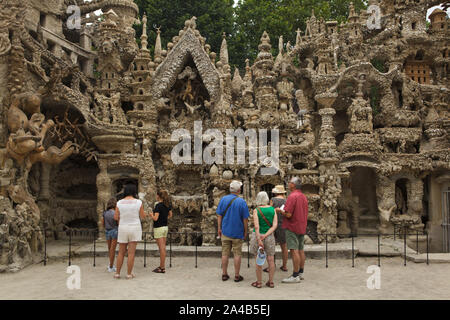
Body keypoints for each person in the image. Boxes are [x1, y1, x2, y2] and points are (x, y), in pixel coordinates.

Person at [276, 177, 308, 283]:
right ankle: (301, 272)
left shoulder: (292, 196)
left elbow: (288, 214)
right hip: (301, 225)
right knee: (301, 249)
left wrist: (280, 211)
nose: (288, 184)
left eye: (289, 182)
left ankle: (295, 275)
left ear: (293, 185)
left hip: (292, 226)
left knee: (294, 250)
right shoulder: (303, 196)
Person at [216, 180, 249, 282]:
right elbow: (245, 219)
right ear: (239, 190)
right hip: (237, 232)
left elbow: (219, 215)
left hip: (225, 230)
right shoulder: (242, 202)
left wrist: (219, 228)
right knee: (237, 254)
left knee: (225, 253)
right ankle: (237, 275)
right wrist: (245, 231)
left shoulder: (223, 199)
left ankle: (224, 274)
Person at [114, 184, 147, 279]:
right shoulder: (138, 202)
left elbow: (115, 217)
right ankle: (129, 274)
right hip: (134, 227)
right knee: (131, 253)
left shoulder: (119, 202)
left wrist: (122, 218)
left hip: (123, 227)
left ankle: (117, 273)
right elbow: (142, 216)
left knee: (121, 252)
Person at [250, 191, 278, 288]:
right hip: (269, 236)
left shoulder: (256, 210)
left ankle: (259, 282)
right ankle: (270, 282)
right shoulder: (273, 210)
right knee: (271, 259)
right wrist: (266, 235)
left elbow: (257, 226)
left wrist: (259, 239)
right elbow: (274, 225)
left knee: (258, 260)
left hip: (258, 236)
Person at [263, 185, 288, 273]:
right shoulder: (286, 200)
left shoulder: (273, 200)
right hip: (284, 225)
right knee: (284, 246)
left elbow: (270, 212)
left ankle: (271, 266)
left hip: (273, 225)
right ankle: (284, 266)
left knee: (271, 246)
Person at [149, 190, 173, 273]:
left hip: (158, 228)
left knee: (161, 248)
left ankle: (162, 267)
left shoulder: (158, 206)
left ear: (158, 196)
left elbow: (155, 218)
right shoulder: (167, 205)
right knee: (163, 248)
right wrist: (165, 218)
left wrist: (151, 215)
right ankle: (162, 266)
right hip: (165, 227)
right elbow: (170, 215)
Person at [102, 197, 118, 272]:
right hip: (114, 230)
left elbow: (103, 223)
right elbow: (118, 222)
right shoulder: (115, 213)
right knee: (113, 249)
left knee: (109, 249)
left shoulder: (105, 213)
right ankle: (111, 266)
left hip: (107, 231)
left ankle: (110, 264)